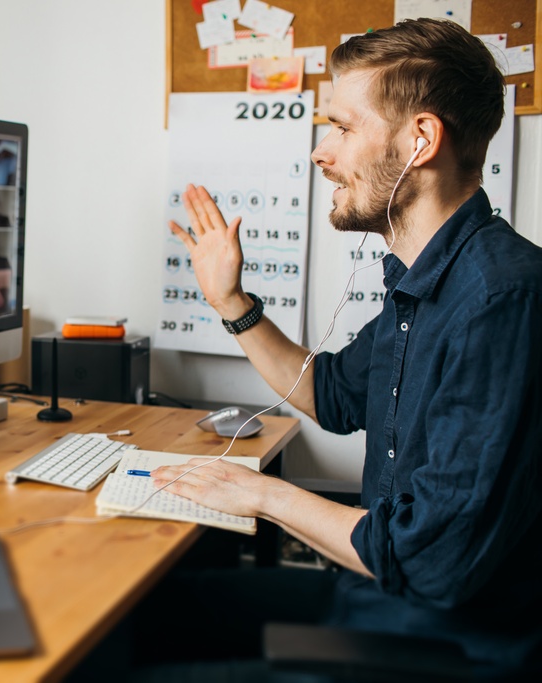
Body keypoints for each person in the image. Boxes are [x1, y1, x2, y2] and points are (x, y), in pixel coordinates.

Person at [135, 18, 542, 681]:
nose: (322, 152)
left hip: (444, 650)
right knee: (143, 618)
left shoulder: (501, 300)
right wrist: (230, 302)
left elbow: (430, 561)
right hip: (374, 603)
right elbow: (330, 394)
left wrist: (262, 495)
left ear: (421, 140)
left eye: (343, 128)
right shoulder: (425, 282)